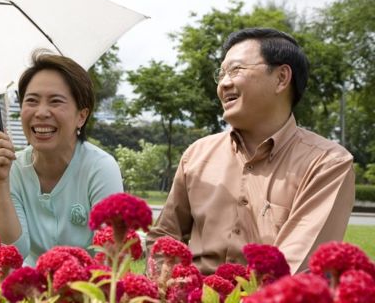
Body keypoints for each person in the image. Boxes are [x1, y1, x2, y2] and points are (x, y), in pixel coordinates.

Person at [146, 28, 355, 274]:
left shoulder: (327, 163)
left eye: (236, 70)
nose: (224, 83)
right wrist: (170, 288)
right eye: (221, 73)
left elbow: (296, 268)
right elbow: (164, 239)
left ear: (281, 78)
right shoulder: (197, 155)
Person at [0, 51, 123, 265]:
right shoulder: (9, 169)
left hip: (87, 290)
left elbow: (110, 259)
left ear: (81, 116)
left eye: (55, 101)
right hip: (29, 290)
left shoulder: (100, 168)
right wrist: (0, 181)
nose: (41, 112)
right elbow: (10, 254)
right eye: (31, 101)